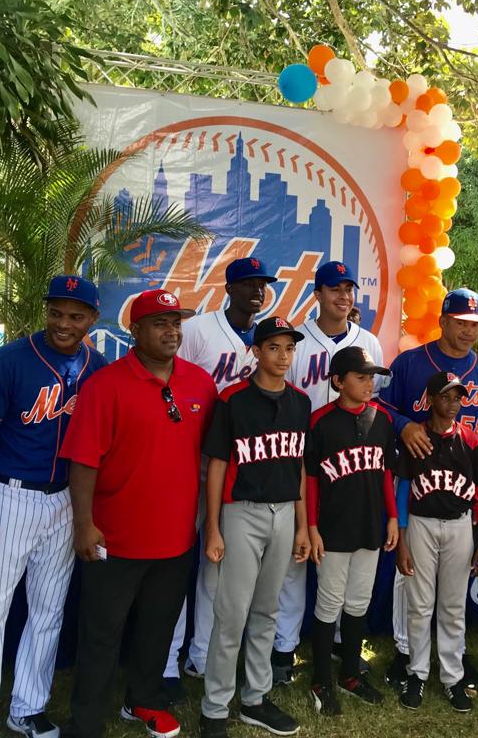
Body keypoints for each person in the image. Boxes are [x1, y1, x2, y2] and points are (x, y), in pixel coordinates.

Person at [0, 275, 107, 738]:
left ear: (92, 320)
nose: (63, 323)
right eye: (55, 312)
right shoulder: (9, 361)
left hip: (64, 501)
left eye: (75, 315)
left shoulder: (97, 366)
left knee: (48, 612)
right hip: (9, 496)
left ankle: (27, 708)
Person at [59, 289, 216, 738]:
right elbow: (84, 461)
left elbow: (213, 454)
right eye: (160, 323)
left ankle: (142, 702)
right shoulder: (105, 385)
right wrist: (84, 524)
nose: (172, 331)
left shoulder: (199, 383)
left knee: (158, 630)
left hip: (175, 538)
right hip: (116, 539)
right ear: (135, 331)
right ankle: (87, 720)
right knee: (101, 635)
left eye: (177, 323)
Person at [165, 256, 279, 697]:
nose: (257, 291)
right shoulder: (197, 331)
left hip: (238, 472)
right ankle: (169, 660)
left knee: (217, 568)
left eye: (262, 284)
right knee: (175, 566)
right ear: (228, 289)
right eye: (248, 283)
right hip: (188, 464)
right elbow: (170, 388)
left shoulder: (269, 340)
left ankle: (202, 656)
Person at [378, 287, 478, 692]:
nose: (468, 331)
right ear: (444, 320)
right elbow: (382, 406)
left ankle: (453, 658)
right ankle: (404, 653)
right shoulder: (412, 362)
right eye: (461, 322)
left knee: (451, 586)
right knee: (408, 578)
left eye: (475, 325)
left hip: (461, 484)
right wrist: (404, 425)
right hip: (415, 478)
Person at [272, 261, 385, 684]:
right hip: (302, 458)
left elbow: (374, 403)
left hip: (349, 468)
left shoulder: (369, 341)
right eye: (333, 288)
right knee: (296, 562)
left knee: (347, 565)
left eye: (348, 289)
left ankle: (342, 644)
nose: (343, 296)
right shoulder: (298, 341)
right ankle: (284, 649)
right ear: (316, 294)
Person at [199, 317, 312, 738]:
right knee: (231, 613)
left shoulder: (300, 402)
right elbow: (217, 465)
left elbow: (299, 465)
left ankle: (255, 699)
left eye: (289, 348)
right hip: (241, 511)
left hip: (284, 512)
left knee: (267, 609)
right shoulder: (233, 400)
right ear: (255, 351)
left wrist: (302, 525)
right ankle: (214, 708)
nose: (282, 356)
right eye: (273, 348)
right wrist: (212, 527)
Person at [305, 346, 399, 716]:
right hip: (332, 526)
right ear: (338, 381)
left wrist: (392, 518)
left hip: (370, 524)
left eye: (371, 377)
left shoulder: (382, 419)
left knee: (358, 601)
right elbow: (310, 479)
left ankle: (350, 674)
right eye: (360, 377)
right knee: (329, 602)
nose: (368, 383)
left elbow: (387, 474)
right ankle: (321, 679)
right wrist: (310, 526)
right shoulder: (320, 421)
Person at [395, 371, 478, 713]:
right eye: (445, 397)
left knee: (452, 606)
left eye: (457, 397)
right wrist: (403, 541)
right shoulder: (416, 437)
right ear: (430, 399)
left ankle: (453, 677)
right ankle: (417, 673)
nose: (452, 404)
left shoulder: (469, 438)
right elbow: (404, 489)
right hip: (421, 524)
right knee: (420, 604)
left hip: (459, 526)